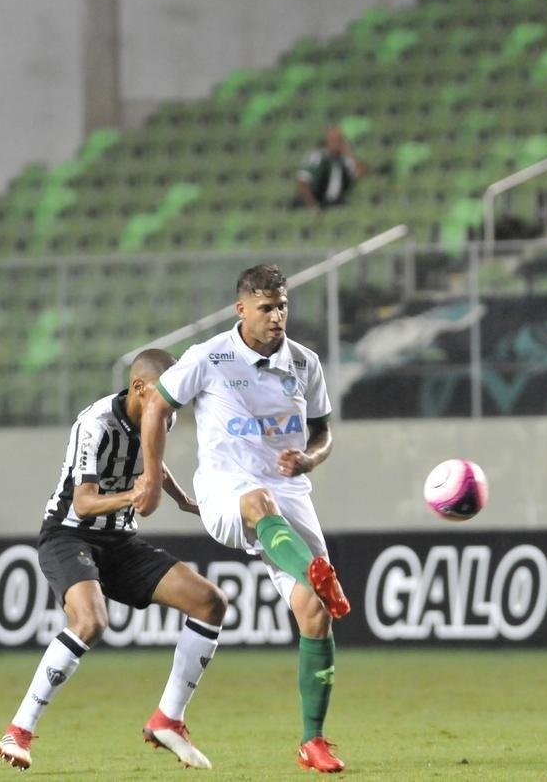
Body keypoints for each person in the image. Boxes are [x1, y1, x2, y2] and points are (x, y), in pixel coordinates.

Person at [134, 264, 351, 774]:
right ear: (241, 310)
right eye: (266, 308)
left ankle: (312, 742)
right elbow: (155, 407)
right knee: (258, 504)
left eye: (282, 307)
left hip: (290, 490)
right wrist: (150, 478)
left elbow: (323, 432)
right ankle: (314, 571)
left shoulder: (305, 363)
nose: (277, 317)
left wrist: (310, 459)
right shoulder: (208, 357)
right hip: (226, 489)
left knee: (314, 614)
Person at [0, 348, 228, 772]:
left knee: (210, 602)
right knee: (90, 621)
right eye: (163, 396)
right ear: (139, 387)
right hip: (69, 535)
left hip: (120, 542)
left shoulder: (159, 415)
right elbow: (83, 503)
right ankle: (19, 731)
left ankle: (168, 719)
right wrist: (134, 496)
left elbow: (151, 466)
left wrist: (183, 501)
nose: (169, 408)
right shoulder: (94, 424)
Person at [295, 126, 366, 210]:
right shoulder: (316, 156)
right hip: (314, 201)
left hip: (335, 203)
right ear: (326, 141)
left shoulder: (346, 159)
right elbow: (302, 182)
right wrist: (312, 204)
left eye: (339, 140)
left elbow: (361, 173)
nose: (336, 143)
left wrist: (349, 153)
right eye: (332, 140)